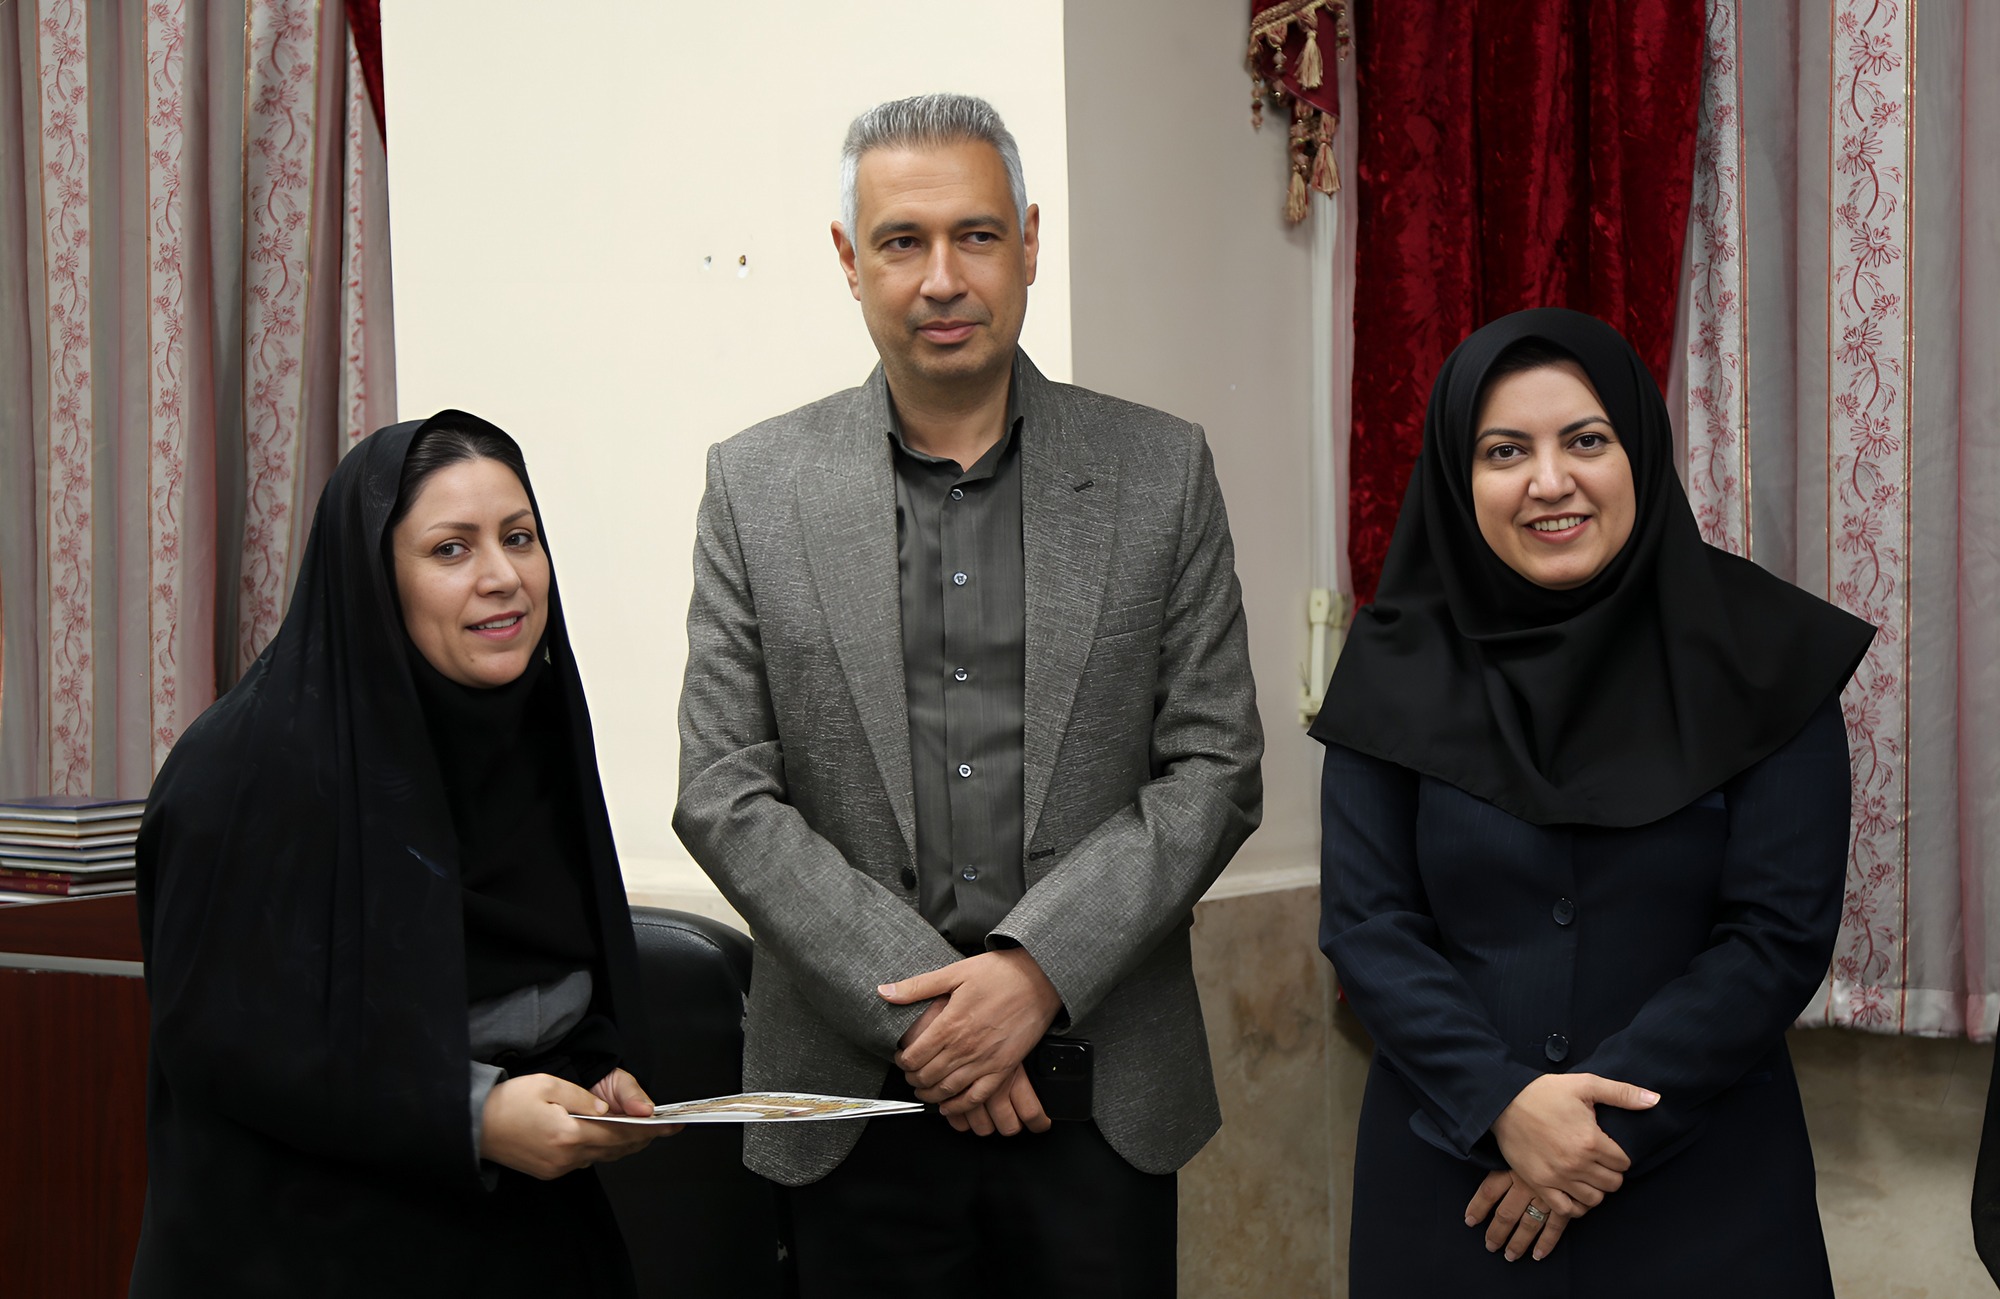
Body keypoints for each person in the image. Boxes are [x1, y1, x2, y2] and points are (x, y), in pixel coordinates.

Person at [673, 92, 1263, 1296]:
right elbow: (723, 791)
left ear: (1028, 243)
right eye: (902, 241)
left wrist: (1033, 972)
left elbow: (1214, 766)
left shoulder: (1159, 471)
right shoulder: (754, 487)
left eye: (976, 236)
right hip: (852, 1108)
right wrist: (934, 1019)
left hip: (1097, 1099)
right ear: (849, 260)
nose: (941, 278)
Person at [1312, 309, 1875, 1297]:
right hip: (1454, 1182)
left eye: (1585, 440)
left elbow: (1776, 934)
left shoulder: (1764, 652)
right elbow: (1367, 924)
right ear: (1456, 475)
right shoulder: (1394, 660)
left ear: (1639, 451)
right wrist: (1503, 1105)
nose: (1548, 481)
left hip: (1703, 1194)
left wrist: (1584, 1136)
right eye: (1503, 451)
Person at [132, 411, 675, 1297]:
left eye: (519, 537)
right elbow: (225, 1042)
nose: (503, 577)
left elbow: (557, 974)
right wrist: (470, 1114)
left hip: (522, 1231)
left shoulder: (532, 735)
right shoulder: (248, 768)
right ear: (374, 576)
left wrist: (593, 1069)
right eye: (450, 549)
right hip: (307, 1248)